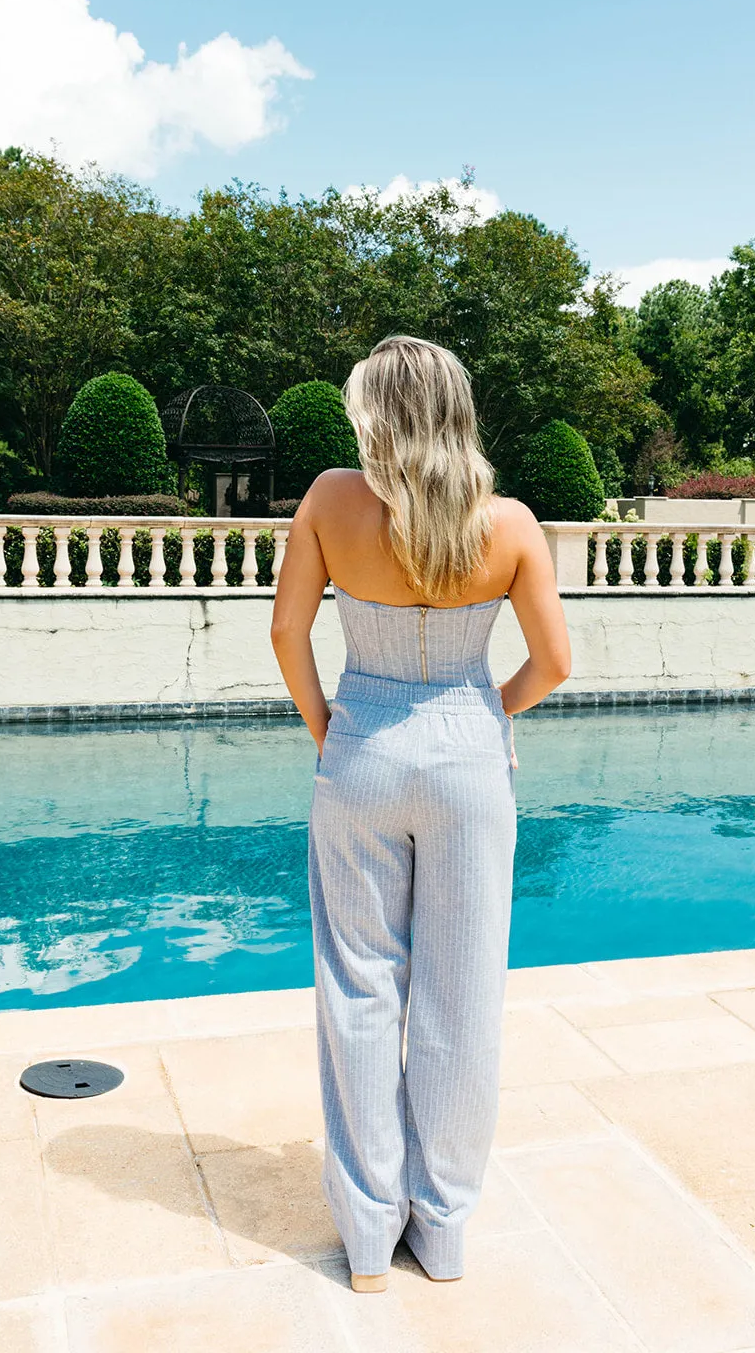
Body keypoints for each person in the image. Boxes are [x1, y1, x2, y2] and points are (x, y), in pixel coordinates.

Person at [270, 335, 571, 1292]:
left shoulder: (328, 501)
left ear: (373, 414)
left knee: (360, 990)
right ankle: (440, 1232)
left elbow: (286, 632)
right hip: (468, 760)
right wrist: (485, 713)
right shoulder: (511, 524)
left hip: (360, 748)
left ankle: (366, 1244)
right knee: (461, 996)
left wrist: (330, 729)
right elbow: (554, 665)